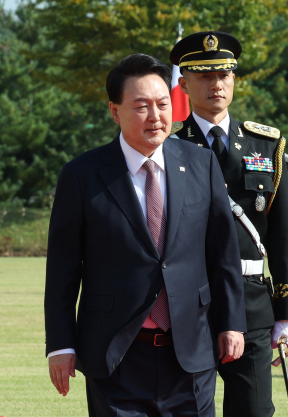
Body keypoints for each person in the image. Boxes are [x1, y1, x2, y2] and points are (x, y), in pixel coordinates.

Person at [44, 54, 246, 416]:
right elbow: (62, 268)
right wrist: (60, 345)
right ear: (114, 111)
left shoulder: (201, 163)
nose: (156, 116)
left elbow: (223, 253)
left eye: (162, 104)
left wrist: (231, 322)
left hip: (191, 352)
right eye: (141, 106)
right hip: (116, 353)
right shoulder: (83, 174)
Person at [169, 31, 288, 417]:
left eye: (223, 75)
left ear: (234, 80)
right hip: (191, 301)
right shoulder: (169, 145)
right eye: (205, 76)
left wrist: (286, 311)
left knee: (256, 411)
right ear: (184, 83)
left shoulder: (265, 144)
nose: (216, 85)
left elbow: (280, 232)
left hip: (252, 304)